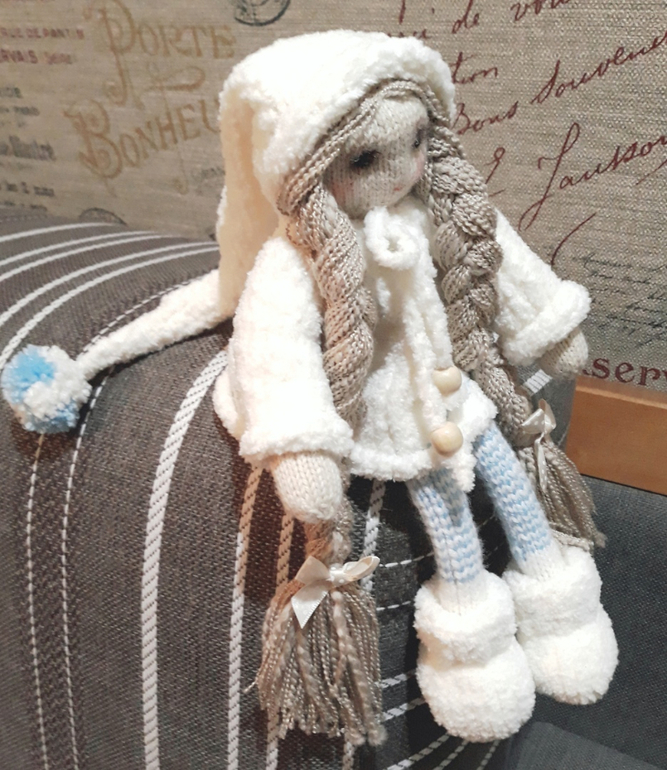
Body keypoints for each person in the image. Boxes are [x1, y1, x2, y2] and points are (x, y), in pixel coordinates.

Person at [2, 30, 617, 747]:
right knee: (451, 527)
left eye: (417, 141)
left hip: (461, 397)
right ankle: (471, 653)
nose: (403, 169)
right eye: (365, 159)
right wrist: (302, 446)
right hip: (394, 422)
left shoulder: (441, 213)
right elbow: (274, 351)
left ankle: (562, 608)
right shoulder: (292, 262)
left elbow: (502, 260)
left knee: (516, 489)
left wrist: (546, 328)